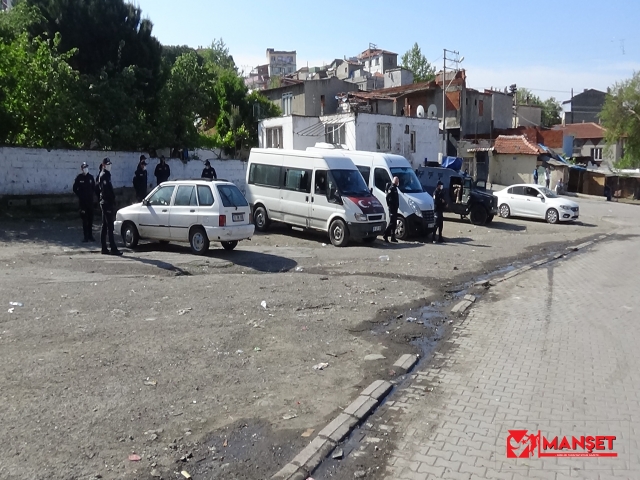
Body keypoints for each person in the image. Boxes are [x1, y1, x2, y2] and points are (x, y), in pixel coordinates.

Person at [98, 158, 122, 256]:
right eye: (107, 164)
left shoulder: (107, 175)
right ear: (103, 165)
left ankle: (104, 248)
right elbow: (106, 191)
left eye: (110, 164)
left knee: (105, 226)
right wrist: (111, 200)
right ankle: (113, 248)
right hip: (106, 203)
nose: (109, 166)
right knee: (109, 226)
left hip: (107, 202)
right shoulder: (104, 175)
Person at [72, 162, 96, 243]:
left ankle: (90, 235)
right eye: (84, 167)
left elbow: (94, 188)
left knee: (90, 220)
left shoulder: (91, 177)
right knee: (84, 220)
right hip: (83, 203)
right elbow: (75, 188)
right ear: (81, 169)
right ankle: (85, 236)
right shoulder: (79, 178)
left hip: (90, 202)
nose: (85, 169)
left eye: (86, 167)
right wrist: (80, 195)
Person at [383, 176, 400, 243]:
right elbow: (387, 197)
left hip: (395, 208)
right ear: (395, 181)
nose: (398, 182)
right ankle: (385, 234)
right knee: (392, 223)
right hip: (392, 208)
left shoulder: (395, 188)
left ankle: (393, 237)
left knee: (394, 223)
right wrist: (390, 206)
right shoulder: (392, 188)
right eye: (397, 181)